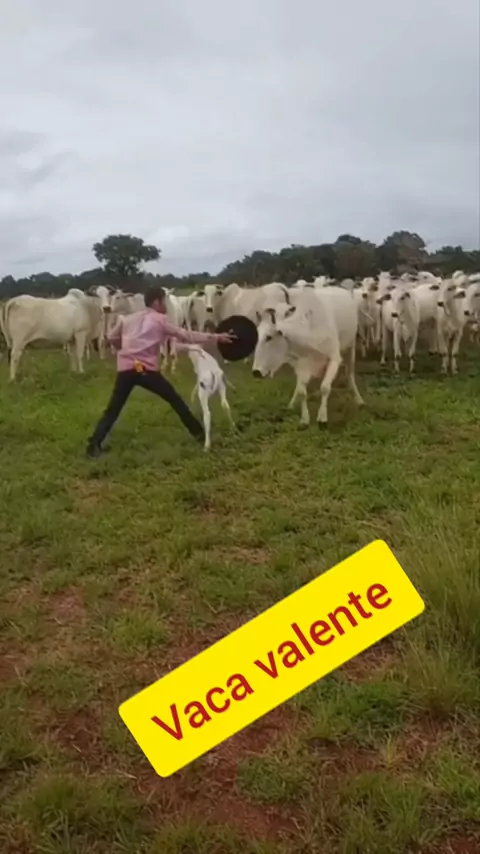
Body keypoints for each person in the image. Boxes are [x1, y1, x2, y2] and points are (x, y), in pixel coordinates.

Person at [85, 285, 236, 458]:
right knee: (174, 399)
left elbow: (111, 337)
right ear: (157, 302)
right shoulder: (160, 320)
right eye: (164, 300)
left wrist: (125, 351)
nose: (165, 304)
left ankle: (94, 445)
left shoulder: (128, 319)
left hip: (127, 369)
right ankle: (199, 434)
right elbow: (186, 335)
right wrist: (217, 337)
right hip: (145, 370)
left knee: (113, 409)